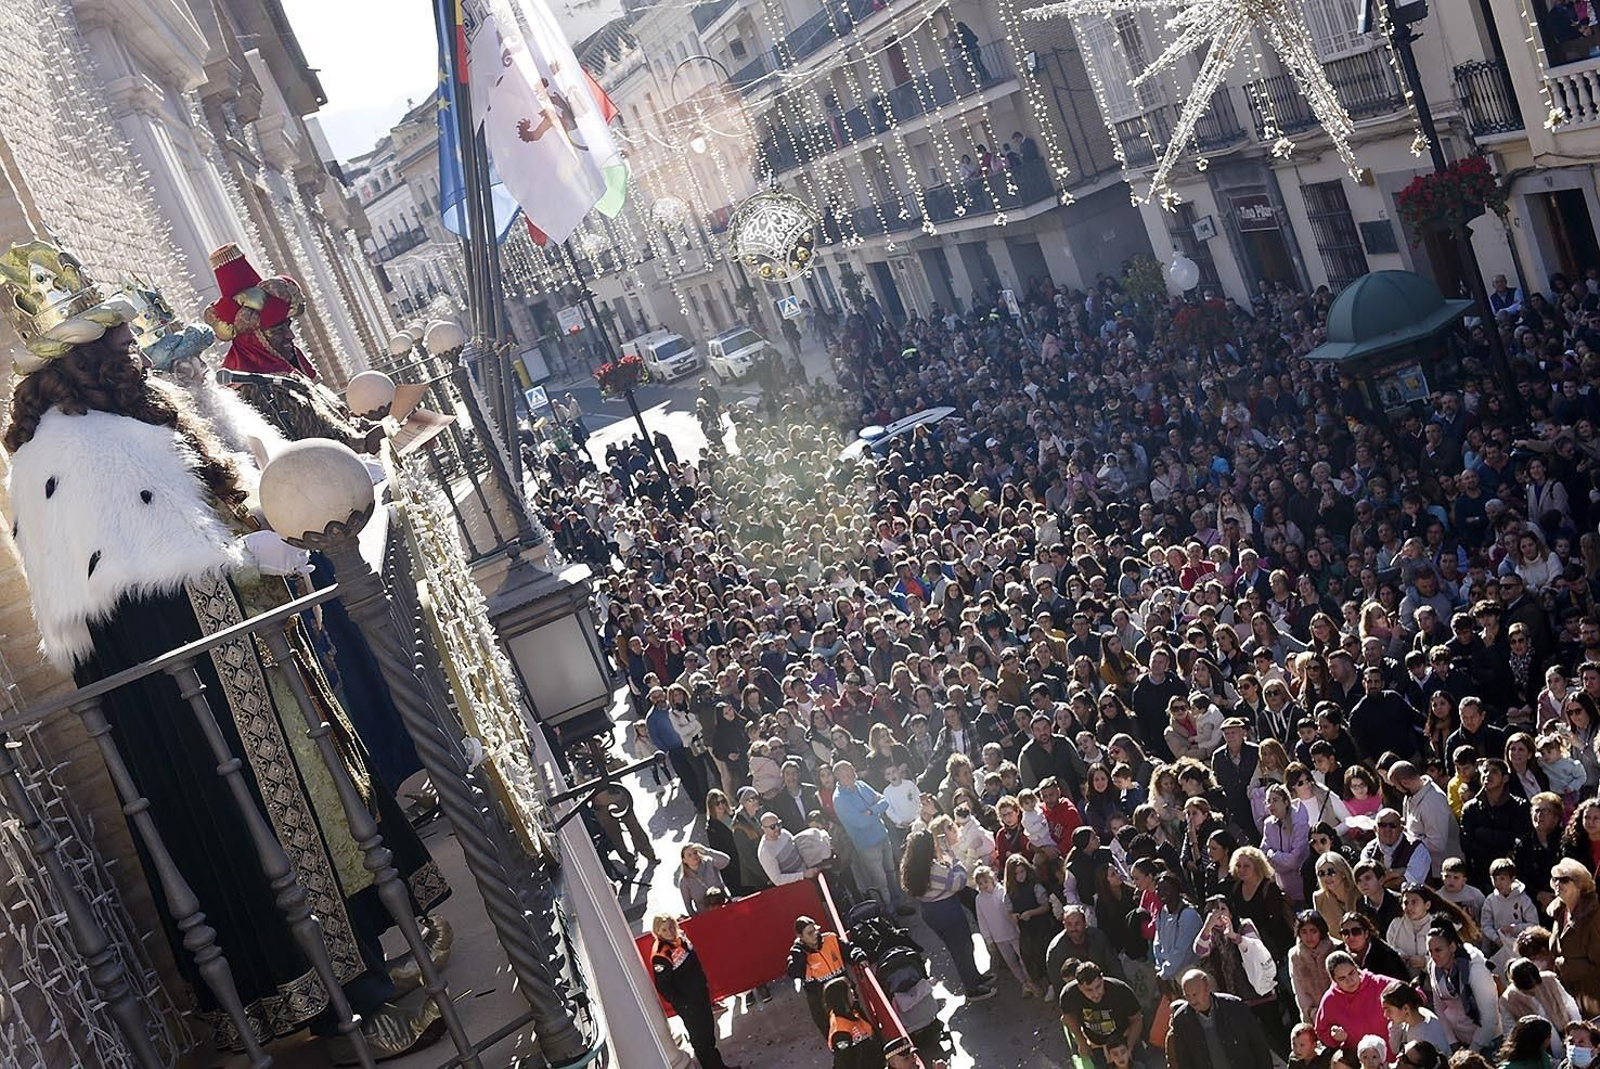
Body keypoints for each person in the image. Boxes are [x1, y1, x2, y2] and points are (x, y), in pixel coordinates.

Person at [1, 240, 449, 1060]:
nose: (131, 348)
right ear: (87, 358)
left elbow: (184, 532)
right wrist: (245, 561)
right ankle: (348, 1001)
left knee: (316, 796)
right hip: (187, 690)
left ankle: (371, 955)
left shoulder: (108, 424)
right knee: (268, 827)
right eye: (116, 339)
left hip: (225, 659)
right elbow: (137, 592)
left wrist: (255, 540)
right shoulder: (68, 450)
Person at [899, 829, 995, 1001]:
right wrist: (955, 861)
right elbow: (958, 881)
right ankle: (973, 988)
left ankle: (974, 977)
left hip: (931, 912)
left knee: (957, 949)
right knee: (963, 949)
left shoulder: (912, 868)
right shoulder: (933, 869)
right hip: (947, 912)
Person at [649, 914, 738, 1069]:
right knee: (701, 1040)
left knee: (708, 1035)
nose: (669, 932)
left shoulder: (680, 939)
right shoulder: (661, 954)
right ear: (657, 932)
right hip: (689, 1005)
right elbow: (664, 987)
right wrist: (684, 1004)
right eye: (664, 930)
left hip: (700, 996)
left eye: (671, 927)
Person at [1164, 967, 1274, 1069]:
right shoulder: (1182, 1019)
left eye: (1194, 994)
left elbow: (1259, 1045)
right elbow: (1184, 1060)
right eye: (1187, 996)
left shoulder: (1234, 1007)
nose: (1192, 1001)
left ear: (1207, 988)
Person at [1059, 960, 1149, 1067]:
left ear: (1102, 978)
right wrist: (1081, 1041)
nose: (1095, 994)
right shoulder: (1069, 995)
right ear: (1079, 987)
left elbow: (1137, 1020)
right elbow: (1068, 1017)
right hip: (1097, 1045)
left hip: (1124, 1041)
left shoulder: (1120, 990)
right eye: (1089, 990)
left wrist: (1128, 1049)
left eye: (1098, 987)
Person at [1314, 950, 1392, 1060]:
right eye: (1342, 978)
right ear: (1334, 980)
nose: (1349, 981)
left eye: (1351, 973)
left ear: (1356, 968)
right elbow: (1321, 1031)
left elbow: (1413, 995)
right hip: (1359, 1062)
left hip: (1392, 1058)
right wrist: (1334, 1038)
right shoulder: (1330, 999)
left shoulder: (1379, 983)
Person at [1549, 857, 1600, 1015]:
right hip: (1568, 997)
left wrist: (1564, 965)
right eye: (1555, 879)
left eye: (1564, 880)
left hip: (1592, 999)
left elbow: (1598, 964)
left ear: (1579, 885)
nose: (1558, 883)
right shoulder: (1559, 912)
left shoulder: (1593, 917)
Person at [1380, 978, 1452, 1055]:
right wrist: (1395, 1025)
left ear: (1405, 1009)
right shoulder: (1411, 1016)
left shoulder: (1425, 1039)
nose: (1385, 1014)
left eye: (1388, 1010)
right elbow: (1395, 1049)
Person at [823, 976, 882, 1068]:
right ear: (841, 998)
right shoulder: (840, 1033)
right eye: (851, 991)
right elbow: (845, 1063)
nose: (854, 994)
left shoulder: (855, 1014)